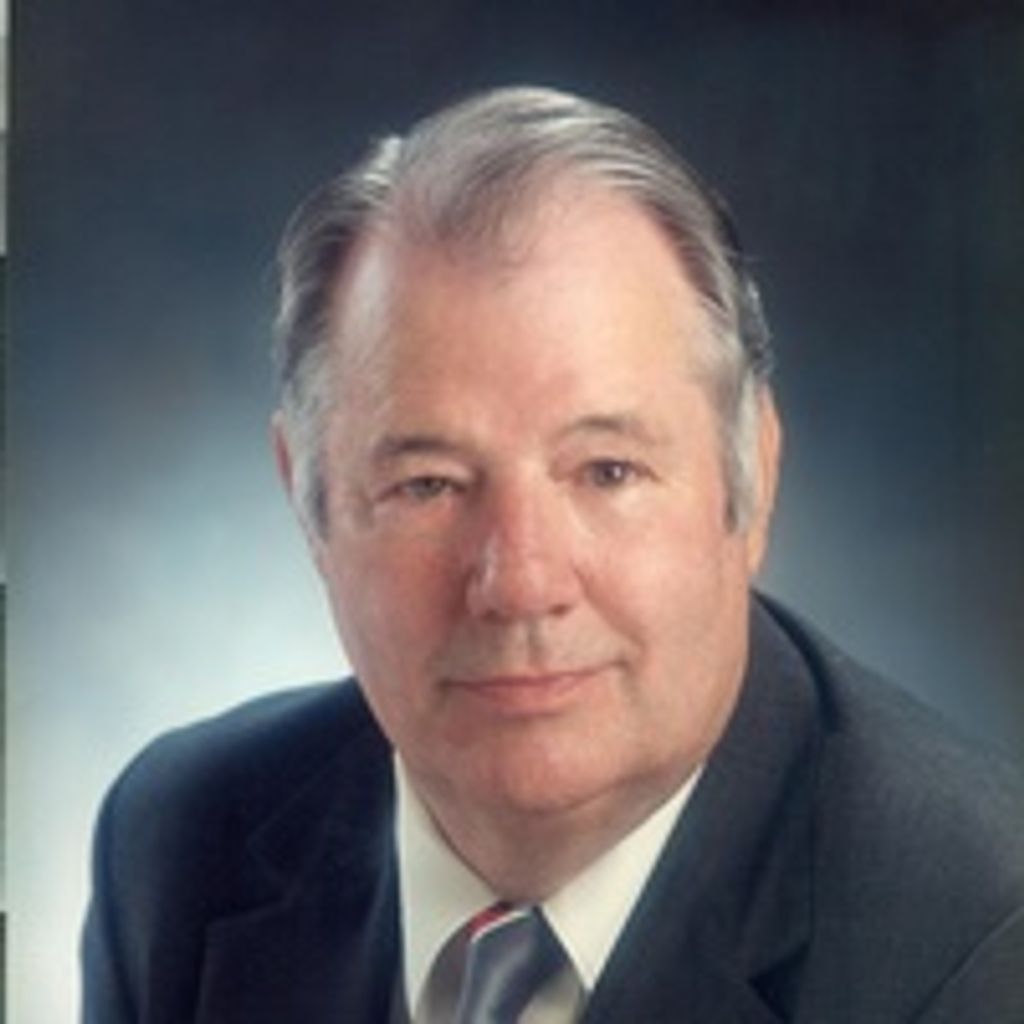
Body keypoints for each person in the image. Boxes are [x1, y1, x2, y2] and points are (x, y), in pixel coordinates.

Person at [82, 86, 1024, 1023]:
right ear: (308, 498)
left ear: (754, 478)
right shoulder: (180, 846)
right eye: (429, 484)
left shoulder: (978, 940)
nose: (522, 584)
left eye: (608, 471)